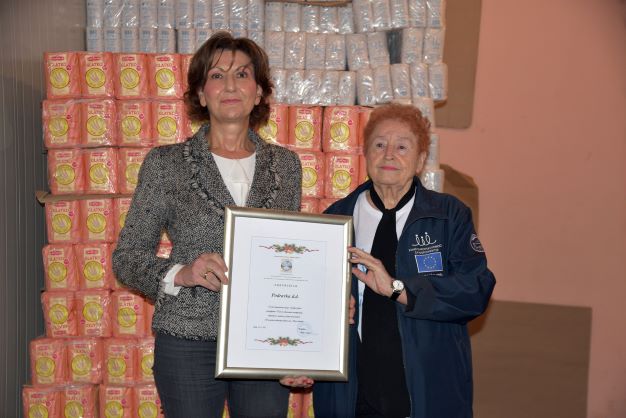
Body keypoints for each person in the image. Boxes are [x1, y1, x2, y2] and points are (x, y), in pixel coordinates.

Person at [112, 32, 308, 418]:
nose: (230, 86)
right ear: (201, 94)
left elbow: (290, 265)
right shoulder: (166, 164)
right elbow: (127, 258)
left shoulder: (287, 166)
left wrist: (300, 340)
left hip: (263, 342)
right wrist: (183, 273)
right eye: (217, 76)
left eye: (242, 74)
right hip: (188, 340)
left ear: (259, 92)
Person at [313, 103, 496, 418]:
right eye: (379, 145)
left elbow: (475, 290)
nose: (389, 155)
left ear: (421, 160)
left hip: (428, 391)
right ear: (365, 154)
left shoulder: (448, 216)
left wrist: (398, 289)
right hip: (353, 395)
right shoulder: (336, 218)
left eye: (401, 147)